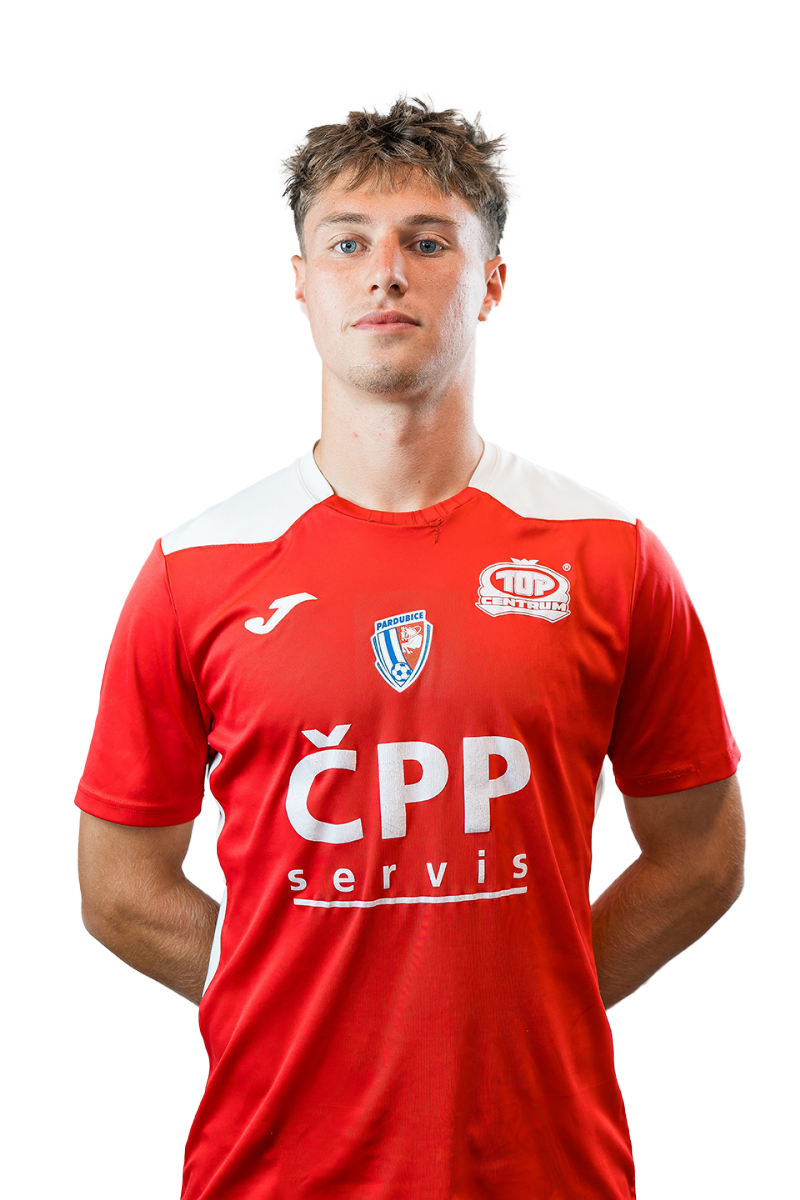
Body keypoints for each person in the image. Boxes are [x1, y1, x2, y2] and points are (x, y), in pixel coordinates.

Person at [76, 88, 745, 1200]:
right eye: (348, 243)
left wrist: (534, 995)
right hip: (272, 1170)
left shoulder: (609, 554)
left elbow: (703, 852)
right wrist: (288, 994)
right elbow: (116, 886)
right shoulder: (194, 569)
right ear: (302, 283)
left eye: (427, 242)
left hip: (543, 1168)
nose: (384, 272)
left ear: (490, 281)